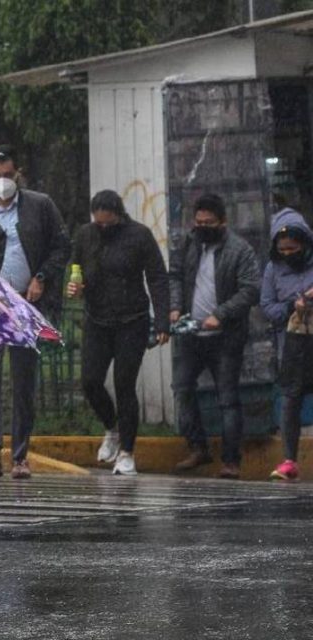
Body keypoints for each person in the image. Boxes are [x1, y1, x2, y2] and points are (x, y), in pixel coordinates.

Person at [0, 148, 71, 479]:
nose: (2, 181)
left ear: (18, 173)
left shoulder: (39, 206)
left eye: (7, 175)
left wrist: (41, 277)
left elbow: (62, 246)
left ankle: (19, 455)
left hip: (26, 303)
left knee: (23, 379)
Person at [67, 190, 170, 476]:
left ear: (119, 216)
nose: (103, 227)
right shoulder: (86, 235)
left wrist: (163, 321)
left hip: (131, 320)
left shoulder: (139, 235)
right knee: (90, 380)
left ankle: (127, 451)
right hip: (97, 318)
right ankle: (111, 427)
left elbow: (157, 277)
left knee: (125, 383)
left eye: (108, 223)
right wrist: (76, 285)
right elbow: (76, 265)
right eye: (98, 222)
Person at [168, 194, 259, 479]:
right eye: (198, 222)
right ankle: (197, 447)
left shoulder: (240, 250)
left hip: (225, 337)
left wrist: (221, 314)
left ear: (222, 222)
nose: (202, 227)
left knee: (227, 398)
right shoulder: (190, 244)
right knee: (182, 387)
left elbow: (250, 290)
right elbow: (175, 275)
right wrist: (175, 307)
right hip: (192, 333)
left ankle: (231, 460)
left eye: (209, 223)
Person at [260, 208, 313, 481]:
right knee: (291, 399)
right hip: (291, 345)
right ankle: (289, 459)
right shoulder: (273, 269)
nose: (288, 254)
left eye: (293, 248)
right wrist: (293, 306)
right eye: (283, 250)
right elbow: (267, 306)